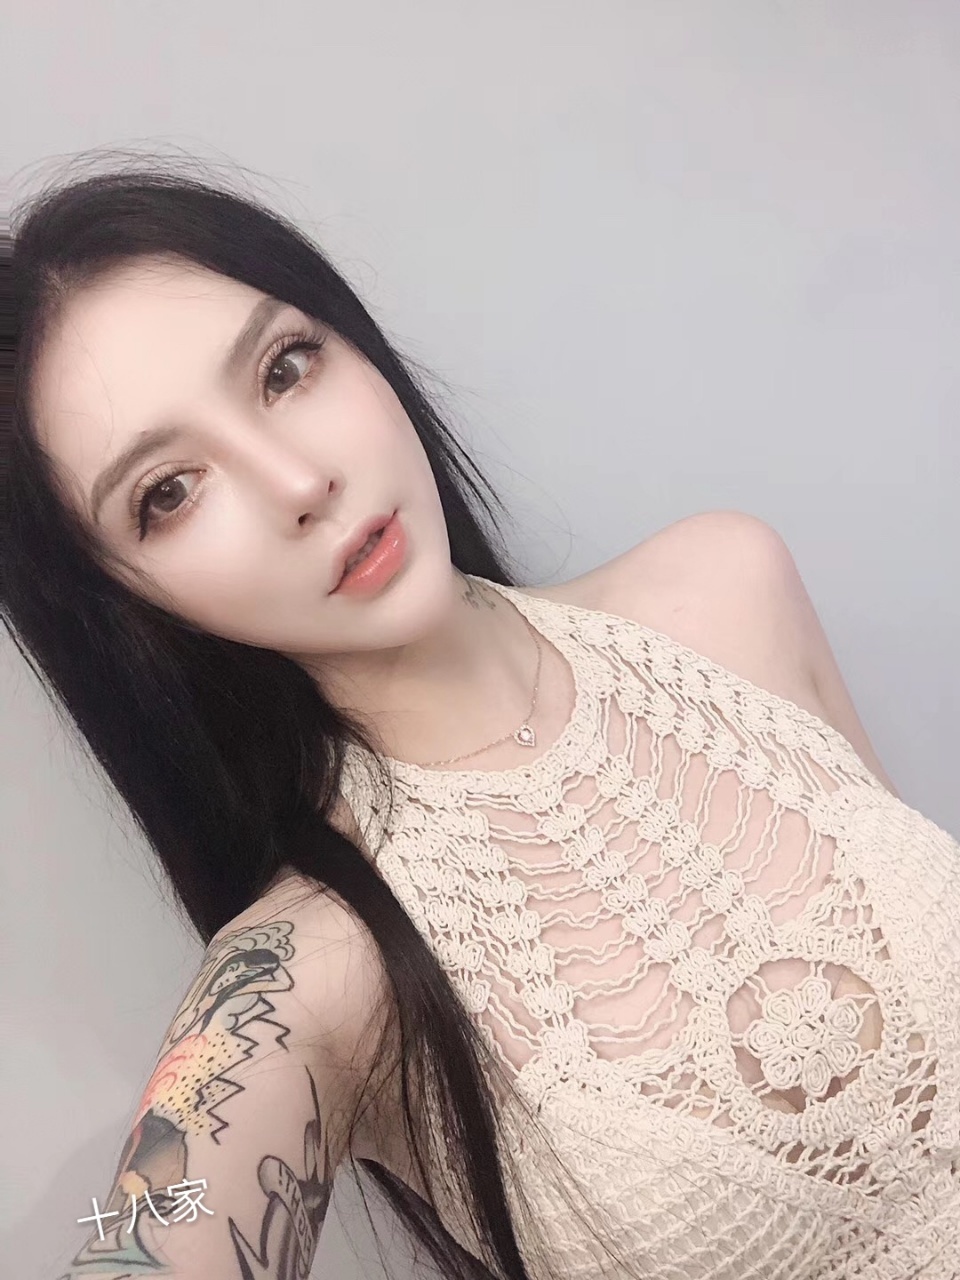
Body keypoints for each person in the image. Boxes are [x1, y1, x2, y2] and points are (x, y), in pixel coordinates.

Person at [3, 162, 959, 1280]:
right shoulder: (314, 970)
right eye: (168, 491)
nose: (298, 481)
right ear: (125, 603)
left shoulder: (726, 585)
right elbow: (160, 1234)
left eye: (285, 367)